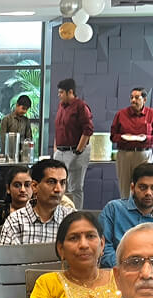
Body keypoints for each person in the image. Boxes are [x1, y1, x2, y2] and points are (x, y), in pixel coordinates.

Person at [98, 162, 153, 267]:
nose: (148, 193)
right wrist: (127, 268)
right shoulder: (114, 209)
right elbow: (103, 247)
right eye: (143, 187)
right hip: (116, 272)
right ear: (132, 187)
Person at [0, 158, 70, 246]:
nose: (58, 189)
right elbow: (6, 255)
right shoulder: (15, 221)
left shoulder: (72, 220)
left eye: (63, 183)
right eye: (51, 182)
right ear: (35, 186)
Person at [110, 87, 153, 199]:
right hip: (125, 154)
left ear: (144, 100)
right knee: (125, 188)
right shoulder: (121, 114)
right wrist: (123, 137)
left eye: (136, 97)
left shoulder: (152, 114)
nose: (133, 100)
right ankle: (125, 208)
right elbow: (113, 136)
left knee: (144, 185)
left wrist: (146, 138)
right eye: (131, 97)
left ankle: (142, 208)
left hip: (144, 154)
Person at [53, 78, 93, 210]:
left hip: (75, 151)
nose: (59, 95)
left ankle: (76, 214)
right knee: (58, 184)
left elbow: (88, 130)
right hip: (60, 151)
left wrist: (78, 150)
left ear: (70, 92)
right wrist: (56, 149)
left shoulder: (81, 107)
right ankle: (60, 213)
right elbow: (58, 128)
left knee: (75, 187)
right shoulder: (61, 106)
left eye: (61, 92)